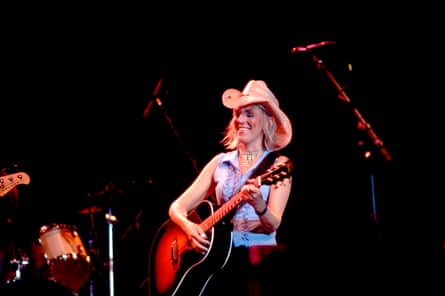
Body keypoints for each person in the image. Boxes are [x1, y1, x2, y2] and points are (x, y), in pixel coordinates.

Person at [167, 80, 293, 296]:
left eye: (250, 114)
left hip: (258, 264)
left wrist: (260, 206)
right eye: (237, 114)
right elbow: (177, 207)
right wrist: (189, 228)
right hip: (218, 265)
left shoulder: (278, 166)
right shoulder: (220, 162)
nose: (241, 120)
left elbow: (274, 223)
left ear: (267, 122)